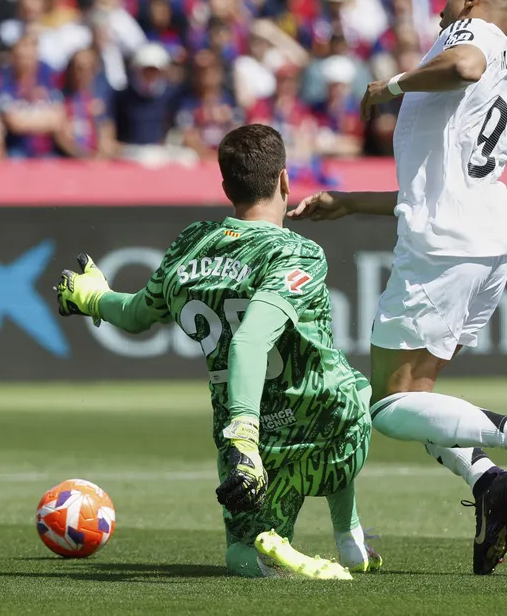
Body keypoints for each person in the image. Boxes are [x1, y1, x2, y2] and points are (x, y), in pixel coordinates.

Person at [289, 0, 507, 575]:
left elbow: (464, 64)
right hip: (485, 237)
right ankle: (489, 482)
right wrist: (351, 202)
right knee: (418, 397)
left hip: (444, 244)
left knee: (387, 406)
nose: (443, 9)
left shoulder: (470, 37)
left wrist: (390, 86)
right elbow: (439, 181)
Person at [54, 124, 379, 579]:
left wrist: (92, 298)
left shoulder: (191, 244)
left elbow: (135, 315)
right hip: (323, 428)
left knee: (241, 554)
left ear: (226, 188)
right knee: (353, 387)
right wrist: (246, 435)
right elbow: (249, 340)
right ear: (285, 180)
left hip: (253, 444)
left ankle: (292, 550)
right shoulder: (298, 253)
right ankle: (348, 534)